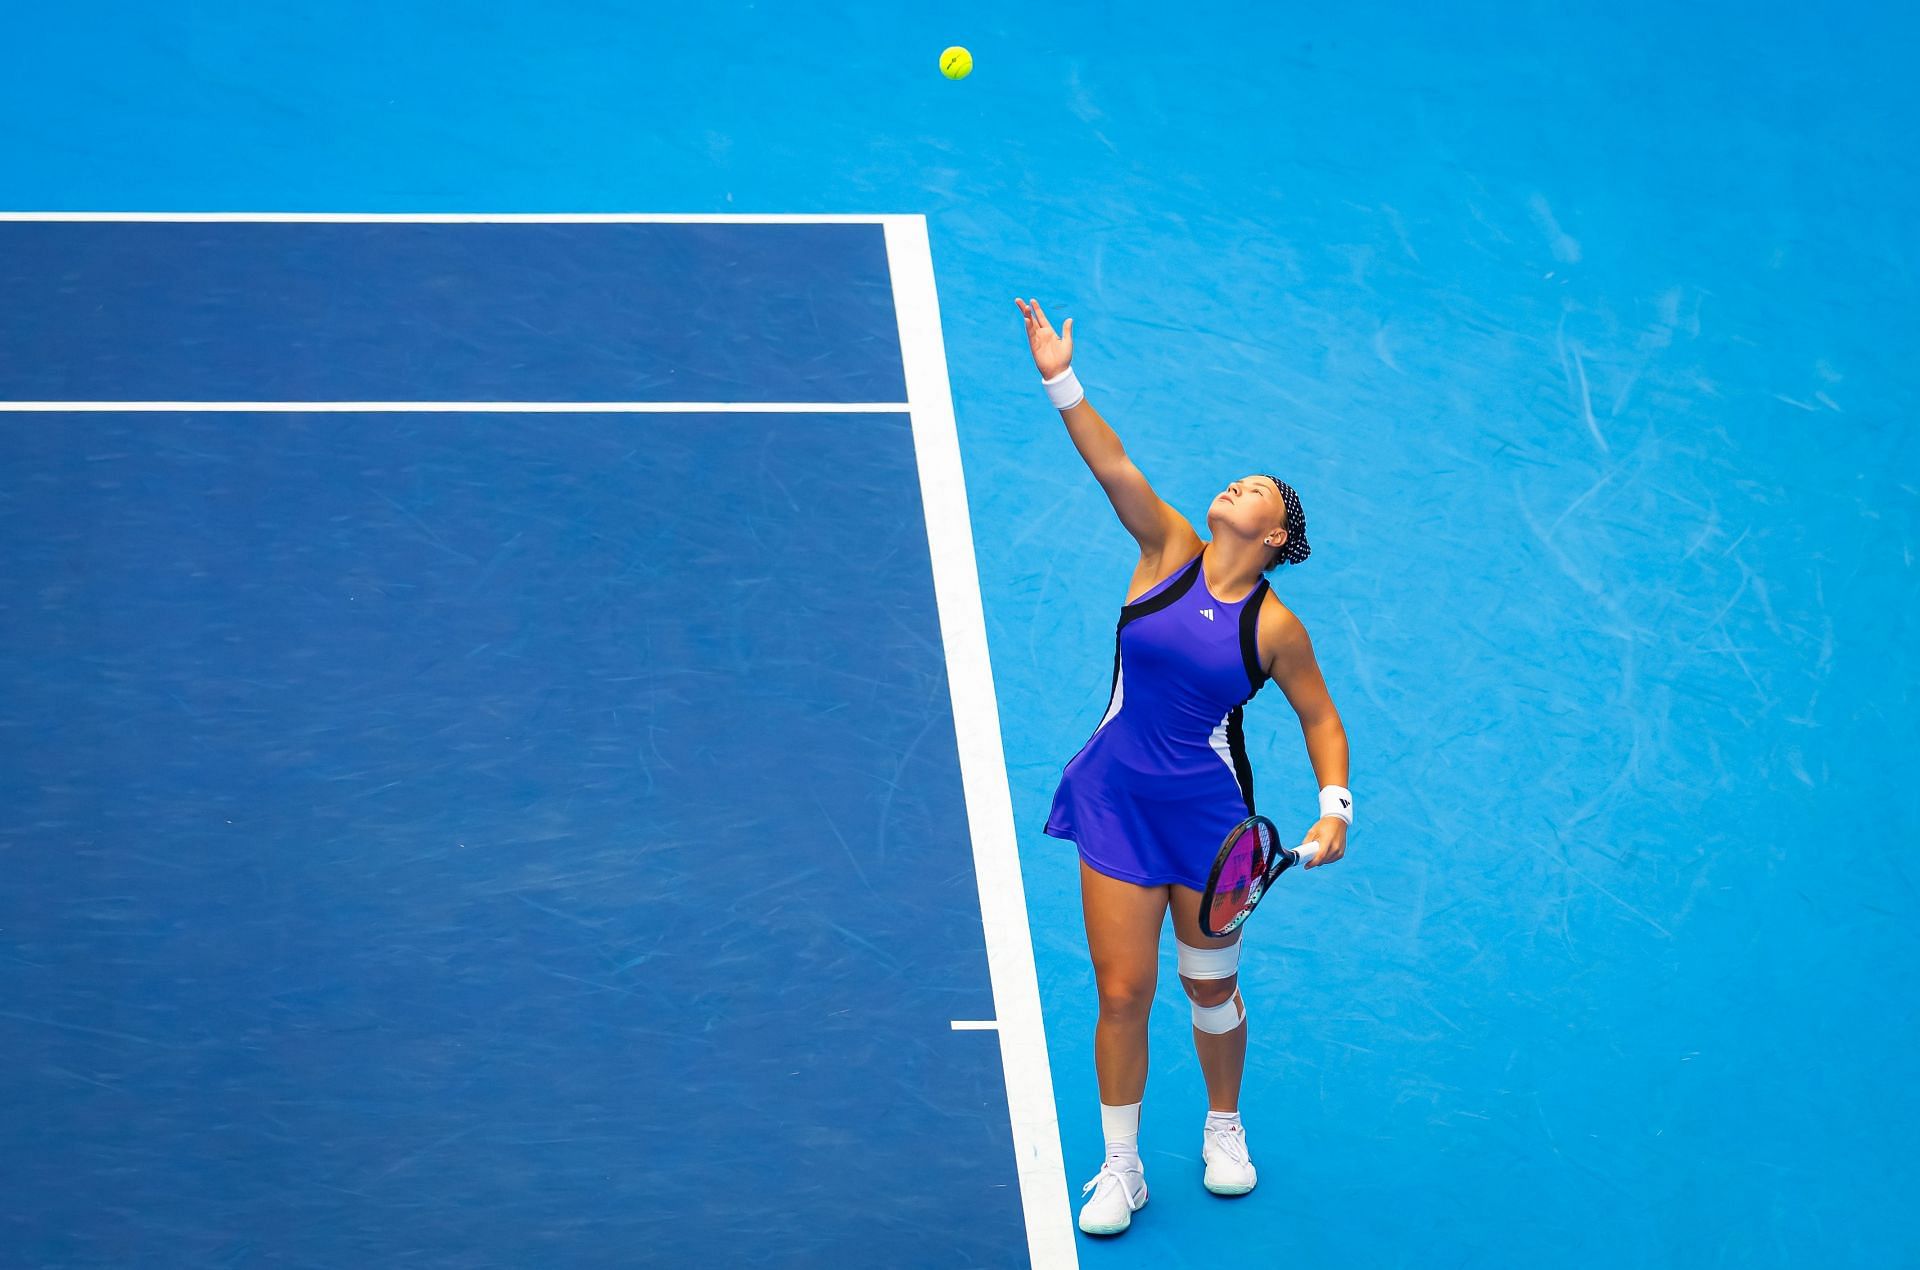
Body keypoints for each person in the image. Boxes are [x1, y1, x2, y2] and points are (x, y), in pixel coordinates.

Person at [1015, 297, 1353, 1236]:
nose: (1238, 487)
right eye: (1238, 481)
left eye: (1258, 491)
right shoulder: (1165, 548)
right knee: (1122, 991)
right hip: (1117, 803)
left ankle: (1223, 1126)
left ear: (1276, 536)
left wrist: (1335, 807)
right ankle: (1121, 1168)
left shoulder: (1275, 627)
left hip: (1210, 831)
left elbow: (1321, 717)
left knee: (1211, 989)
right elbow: (1110, 462)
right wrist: (1059, 374)